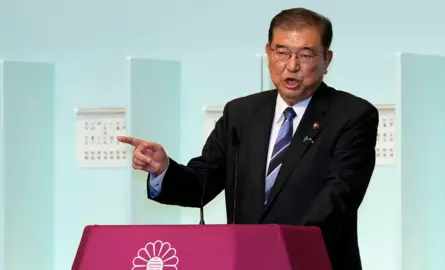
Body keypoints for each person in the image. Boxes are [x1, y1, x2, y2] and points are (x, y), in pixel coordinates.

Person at [118, 7, 378, 270]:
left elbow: (338, 198)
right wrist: (163, 170)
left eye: (306, 54)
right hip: (245, 262)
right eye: (282, 52)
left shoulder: (352, 115)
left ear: (327, 59)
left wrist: (284, 250)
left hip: (313, 262)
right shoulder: (241, 114)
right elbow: (202, 183)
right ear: (268, 54)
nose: (292, 65)